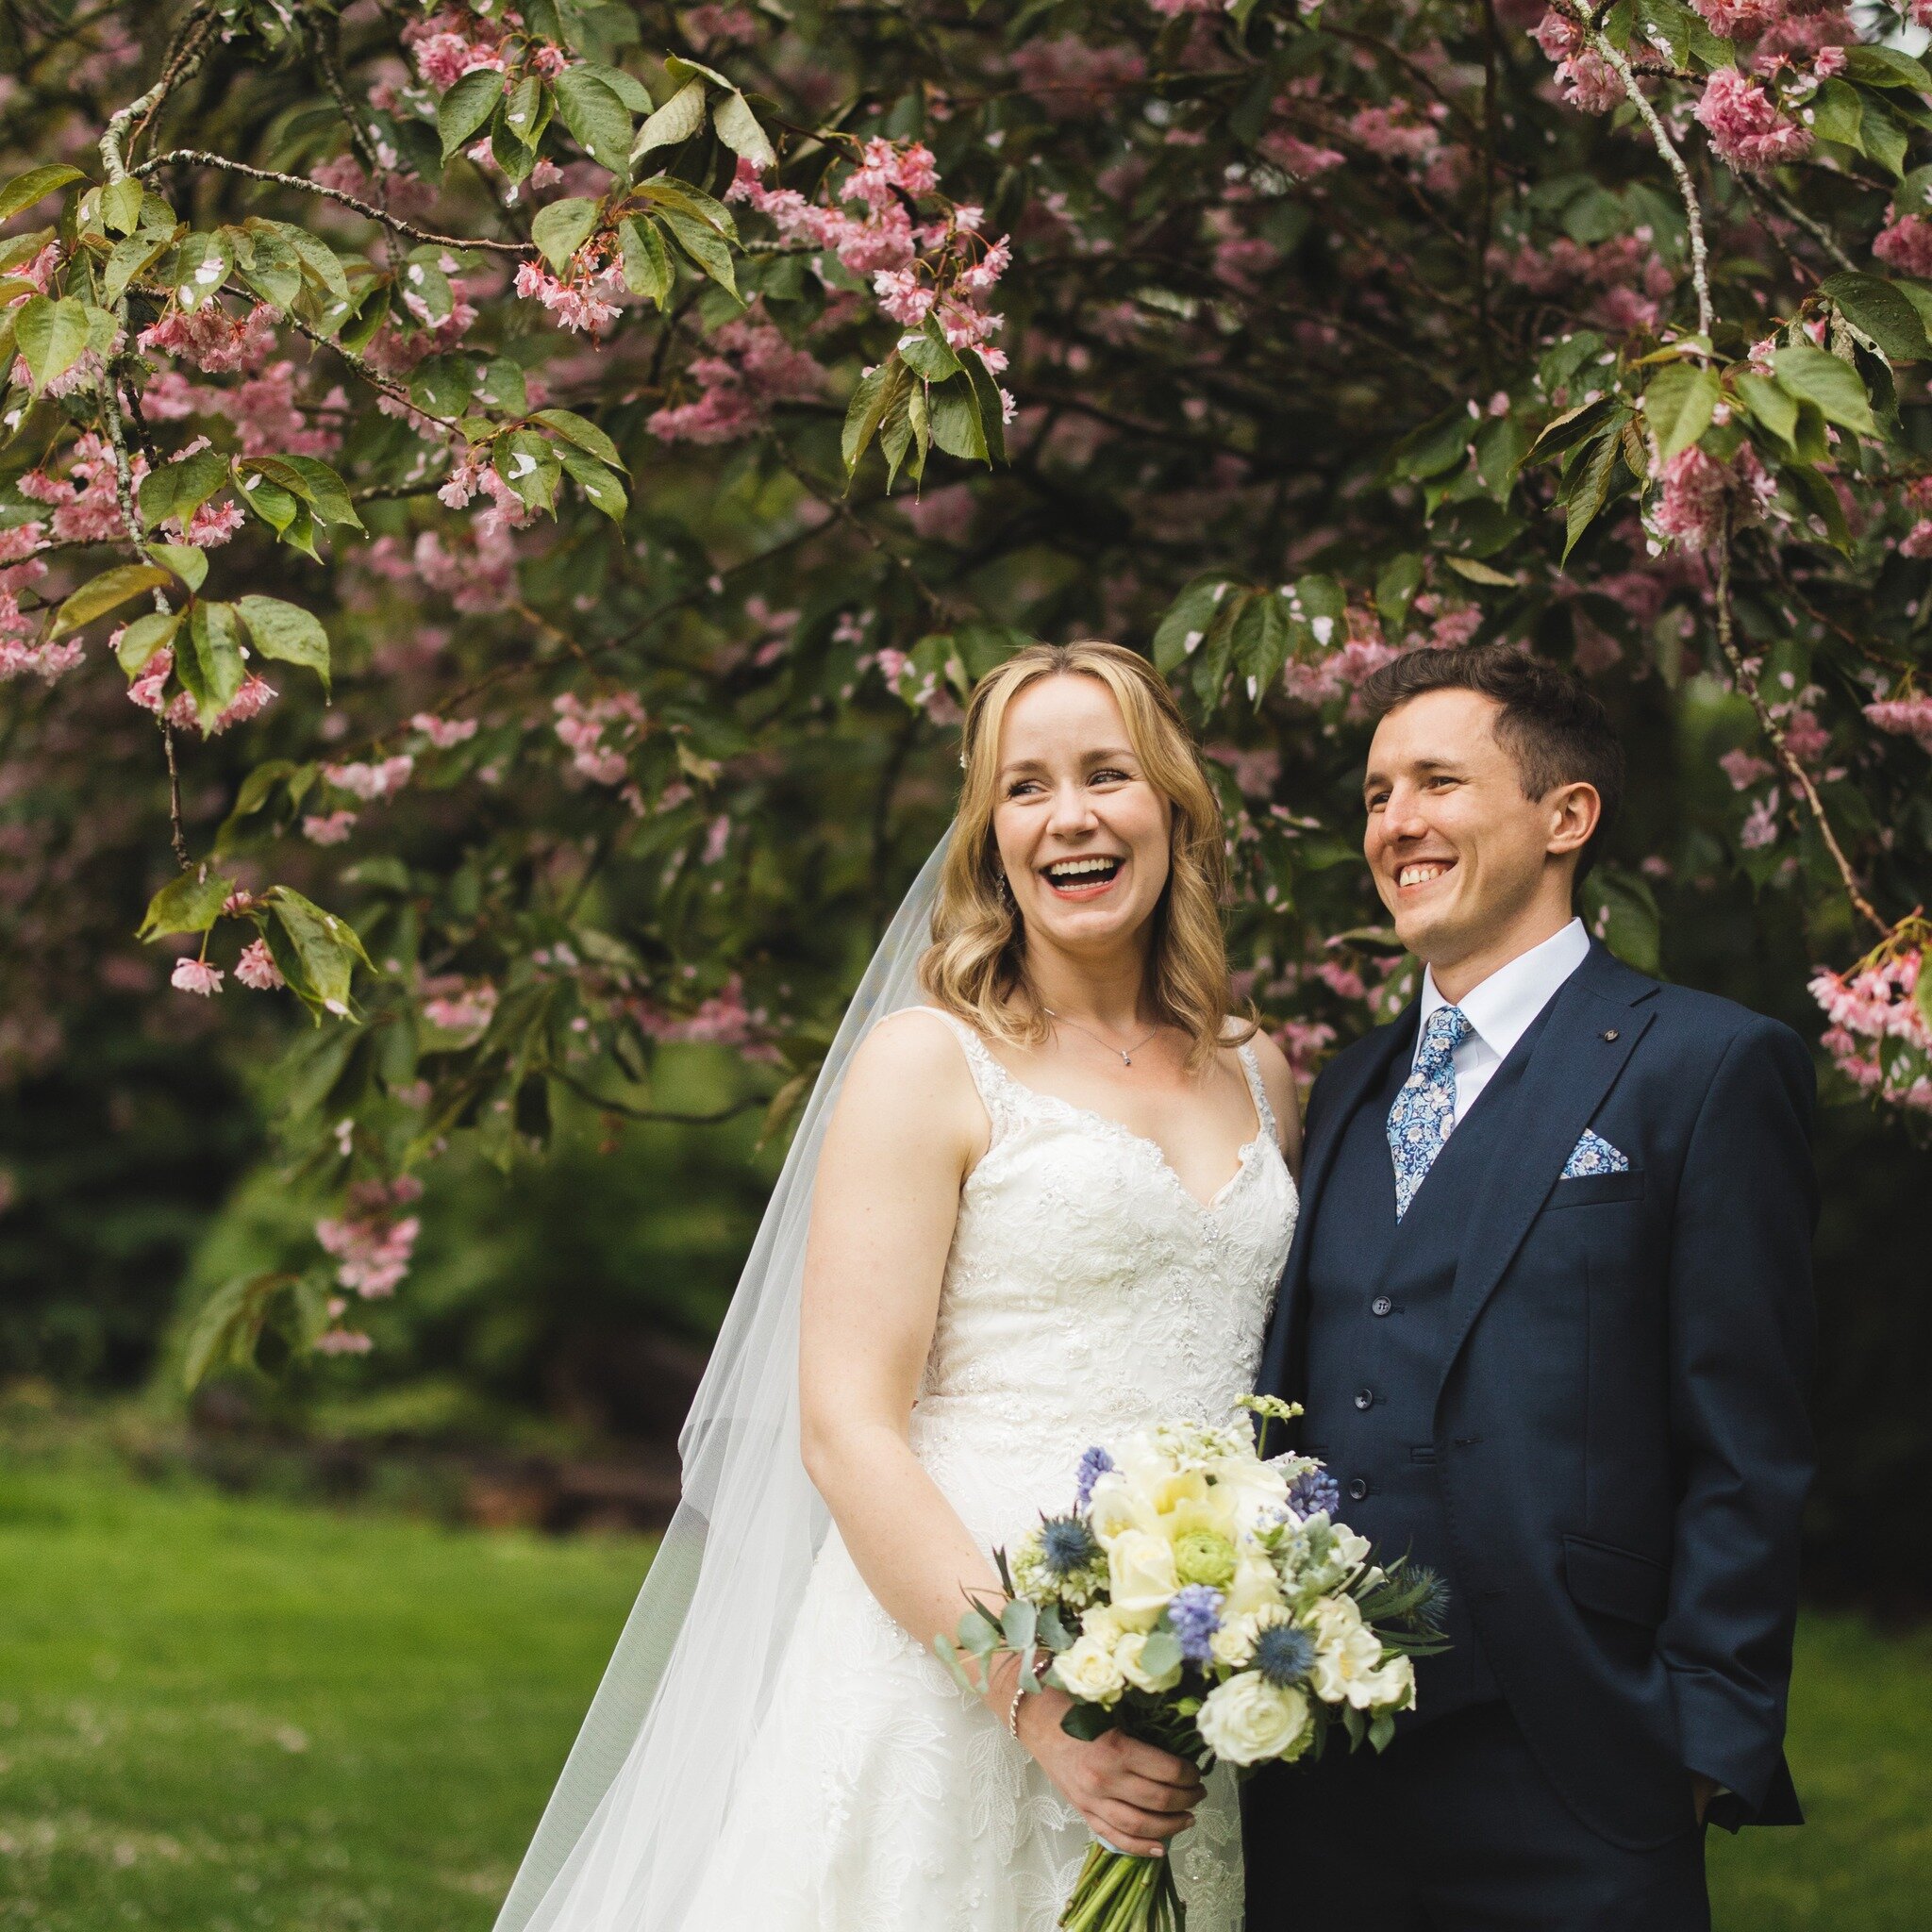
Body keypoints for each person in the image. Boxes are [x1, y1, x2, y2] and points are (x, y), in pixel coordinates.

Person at [494, 641, 1299, 1932]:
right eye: (1026, 788)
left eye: (1108, 774)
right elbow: (847, 1430)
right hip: (953, 1663)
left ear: (1175, 809)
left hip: (1194, 1666)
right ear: (989, 840)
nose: (1071, 816)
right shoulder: (930, 1063)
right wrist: (1036, 1700)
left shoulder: (1262, 1074)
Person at [1246, 644, 1816, 1931]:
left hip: (1582, 1763)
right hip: (1313, 1774)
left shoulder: (1708, 1067)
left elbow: (1751, 1436)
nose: (1396, 822)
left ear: (1567, 817)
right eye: (1380, 792)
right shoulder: (1340, 1092)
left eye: (1438, 781)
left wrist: (1698, 1741)